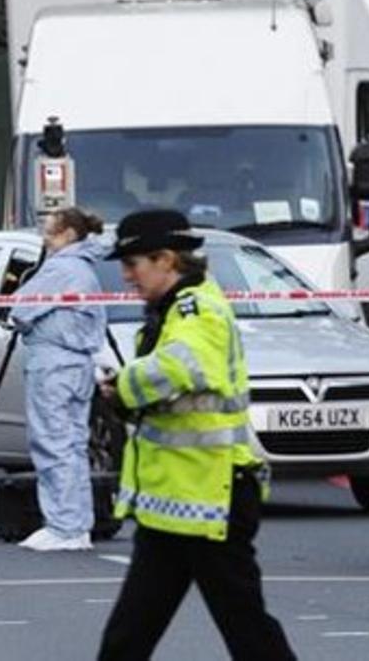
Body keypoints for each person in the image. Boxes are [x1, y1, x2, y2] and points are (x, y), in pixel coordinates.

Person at [97, 210, 295, 660]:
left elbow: (179, 366)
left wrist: (122, 388)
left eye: (133, 264)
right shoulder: (174, 306)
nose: (126, 275)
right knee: (128, 636)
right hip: (175, 504)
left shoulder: (198, 308)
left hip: (212, 503)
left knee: (248, 632)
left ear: (166, 259)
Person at [9, 207, 109, 552]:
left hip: (52, 365)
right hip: (78, 365)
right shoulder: (84, 268)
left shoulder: (61, 268)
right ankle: (77, 524)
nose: (44, 240)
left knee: (52, 442)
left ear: (67, 235)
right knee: (74, 445)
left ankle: (63, 525)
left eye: (49, 234)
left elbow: (19, 309)